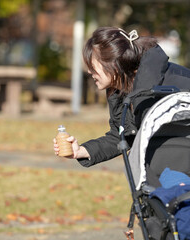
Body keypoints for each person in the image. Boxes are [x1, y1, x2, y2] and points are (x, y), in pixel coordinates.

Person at [54, 26, 190, 167]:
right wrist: (81, 151)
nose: (89, 71)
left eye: (93, 65)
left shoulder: (166, 84)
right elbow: (123, 136)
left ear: (113, 64)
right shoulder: (119, 89)